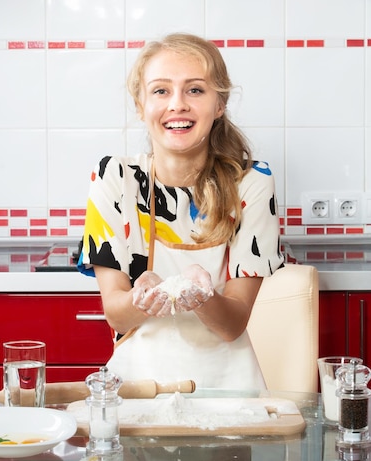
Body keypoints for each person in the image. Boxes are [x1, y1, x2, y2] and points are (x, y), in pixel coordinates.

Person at [77, 33, 284, 389]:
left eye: (195, 90)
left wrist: (204, 298)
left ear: (219, 104)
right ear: (141, 105)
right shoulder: (115, 178)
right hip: (136, 388)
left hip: (227, 391)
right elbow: (117, 316)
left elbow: (233, 324)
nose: (177, 105)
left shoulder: (251, 183)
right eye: (160, 91)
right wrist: (140, 298)